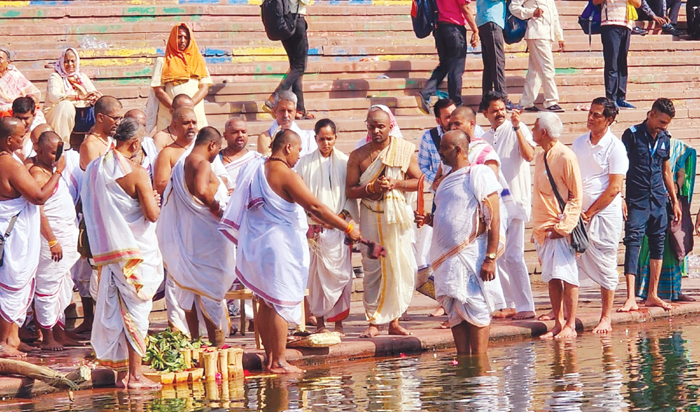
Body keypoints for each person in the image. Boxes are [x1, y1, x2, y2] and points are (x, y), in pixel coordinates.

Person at [220, 129, 361, 373]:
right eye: (297, 150)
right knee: (279, 302)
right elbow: (315, 206)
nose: (298, 156)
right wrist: (347, 227)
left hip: (257, 244)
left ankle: (270, 357)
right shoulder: (286, 174)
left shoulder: (254, 168)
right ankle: (278, 361)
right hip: (278, 246)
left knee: (265, 301)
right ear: (287, 148)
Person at [81, 118, 162, 389]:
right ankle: (135, 375)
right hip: (135, 251)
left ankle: (121, 374)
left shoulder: (94, 167)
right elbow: (151, 215)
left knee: (117, 309)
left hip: (108, 252)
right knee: (137, 310)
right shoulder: (137, 172)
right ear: (136, 143)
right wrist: (155, 201)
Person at [414, 130, 503, 355]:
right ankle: (465, 367)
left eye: (444, 148)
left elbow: (493, 217)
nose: (440, 153)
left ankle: (481, 375)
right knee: (455, 314)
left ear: (458, 150)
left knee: (477, 309)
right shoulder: (444, 183)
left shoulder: (479, 173)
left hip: (472, 256)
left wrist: (490, 258)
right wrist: (430, 220)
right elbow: (452, 217)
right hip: (448, 261)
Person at [346, 109, 421, 338]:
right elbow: (350, 190)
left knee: (397, 266)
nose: (376, 131)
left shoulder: (403, 150)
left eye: (381, 126)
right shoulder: (357, 156)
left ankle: (394, 321)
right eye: (372, 126)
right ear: (366, 127)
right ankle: (373, 322)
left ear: (390, 126)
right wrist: (372, 188)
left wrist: (396, 183)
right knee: (373, 268)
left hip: (395, 217)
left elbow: (418, 181)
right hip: (370, 215)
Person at [157, 127, 235, 347]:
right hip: (207, 237)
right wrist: (216, 207)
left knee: (192, 288)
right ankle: (217, 345)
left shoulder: (181, 162)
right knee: (211, 289)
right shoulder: (202, 163)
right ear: (212, 145)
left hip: (191, 235)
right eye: (217, 151)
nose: (215, 155)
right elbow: (201, 189)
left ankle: (195, 342)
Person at [0, 117, 65, 358]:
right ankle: (3, 343)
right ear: (9, 140)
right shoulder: (10, 164)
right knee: (13, 285)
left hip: (10, 230)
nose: (24, 137)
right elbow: (38, 197)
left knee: (14, 284)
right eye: (21, 135)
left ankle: (12, 339)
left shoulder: (12, 160)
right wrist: (58, 173)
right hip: (14, 233)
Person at [571, 97, 628, 333]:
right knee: (569, 260)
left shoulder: (616, 147)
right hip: (579, 211)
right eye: (591, 113)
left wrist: (590, 213)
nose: (591, 118)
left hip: (604, 215)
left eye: (597, 115)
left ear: (609, 120)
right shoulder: (579, 142)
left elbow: (614, 187)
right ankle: (564, 314)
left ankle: (606, 317)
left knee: (606, 262)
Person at [296, 119, 357, 334]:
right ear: (315, 139)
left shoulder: (345, 161)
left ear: (336, 138)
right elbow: (299, 195)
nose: (326, 143)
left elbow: (350, 193)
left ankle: (339, 324)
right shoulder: (304, 164)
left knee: (342, 276)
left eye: (329, 139)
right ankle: (321, 323)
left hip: (340, 227)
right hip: (315, 227)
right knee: (317, 277)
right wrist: (314, 216)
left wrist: (340, 217)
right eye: (321, 139)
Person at [619, 98, 681, 311]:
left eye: (667, 123)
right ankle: (630, 297)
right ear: (651, 114)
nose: (664, 126)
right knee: (633, 242)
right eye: (662, 121)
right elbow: (620, 168)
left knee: (658, 244)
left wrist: (674, 201)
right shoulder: (632, 135)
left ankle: (652, 294)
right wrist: (620, 197)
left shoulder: (665, 137)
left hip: (658, 199)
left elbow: (666, 170)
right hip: (637, 199)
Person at [479, 91, 536, 320]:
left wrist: (516, 127)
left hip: (516, 201)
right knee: (498, 254)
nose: (500, 113)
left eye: (502, 109)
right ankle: (510, 303)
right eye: (494, 110)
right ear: (486, 114)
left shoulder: (517, 128)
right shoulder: (483, 139)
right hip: (496, 204)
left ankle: (527, 306)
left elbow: (530, 155)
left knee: (514, 255)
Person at [531, 112, 582, 340]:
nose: (531, 131)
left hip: (560, 228)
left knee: (567, 276)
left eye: (534, 127)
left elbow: (575, 197)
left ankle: (570, 324)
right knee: (552, 276)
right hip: (543, 228)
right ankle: (558, 322)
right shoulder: (541, 156)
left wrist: (562, 228)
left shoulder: (566, 156)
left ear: (543, 132)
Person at [28, 131, 81, 350]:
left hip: (65, 239)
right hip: (51, 242)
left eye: (59, 152)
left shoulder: (49, 171)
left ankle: (60, 332)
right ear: (39, 150)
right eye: (52, 152)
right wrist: (51, 241)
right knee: (48, 287)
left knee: (63, 286)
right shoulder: (38, 174)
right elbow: (39, 210)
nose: (56, 157)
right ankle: (47, 336)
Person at [639, 137, 695, 302]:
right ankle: (649, 292)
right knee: (651, 247)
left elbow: (681, 176)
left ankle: (674, 292)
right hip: (652, 203)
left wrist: (674, 193)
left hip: (671, 206)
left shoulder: (675, 150)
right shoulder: (645, 149)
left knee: (674, 247)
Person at [417, 0, 479, 113]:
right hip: (454, 28)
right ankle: (456, 103)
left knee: (445, 65)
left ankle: (426, 91)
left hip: (440, 28)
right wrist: (475, 29)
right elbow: (465, 8)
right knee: (456, 68)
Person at [150, 23, 211, 132]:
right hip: (170, 113)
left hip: (195, 111)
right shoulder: (163, 62)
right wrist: (176, 108)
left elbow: (204, 87)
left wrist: (188, 106)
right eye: (179, 37)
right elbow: (158, 90)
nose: (183, 41)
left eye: (186, 37)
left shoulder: (198, 61)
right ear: (173, 38)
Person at [509, 0, 565, 112]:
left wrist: (560, 36)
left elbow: (554, 15)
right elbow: (513, 6)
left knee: (535, 71)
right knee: (547, 68)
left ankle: (526, 102)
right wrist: (531, 12)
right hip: (536, 33)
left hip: (547, 36)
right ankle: (551, 101)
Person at [263, 0, 314, 120]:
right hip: (296, 21)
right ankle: (274, 98)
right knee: (299, 67)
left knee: (295, 67)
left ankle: (300, 110)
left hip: (284, 23)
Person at [44, 48, 102, 142]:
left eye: (72, 61)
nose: (70, 64)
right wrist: (78, 97)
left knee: (103, 105)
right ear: (62, 62)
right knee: (66, 105)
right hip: (57, 113)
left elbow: (93, 92)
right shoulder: (55, 77)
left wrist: (95, 97)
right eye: (66, 61)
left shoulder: (81, 77)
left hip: (81, 114)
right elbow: (54, 96)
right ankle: (62, 144)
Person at [594, 0, 642, 109]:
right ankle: (611, 99)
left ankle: (621, 97)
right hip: (609, 23)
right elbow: (595, 2)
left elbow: (638, 3)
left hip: (626, 24)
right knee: (612, 62)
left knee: (622, 62)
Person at [153, 107, 198, 195]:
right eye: (186, 123)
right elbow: (160, 186)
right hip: (178, 205)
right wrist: (191, 182)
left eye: (194, 123)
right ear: (174, 125)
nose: (191, 126)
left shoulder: (203, 147)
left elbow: (222, 176)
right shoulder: (167, 154)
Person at [257, 90, 317, 157]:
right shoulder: (265, 138)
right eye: (282, 110)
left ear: (295, 112)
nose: (286, 115)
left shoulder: (308, 138)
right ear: (274, 111)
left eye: (289, 111)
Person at [477, 0, 510, 107]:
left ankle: (486, 101)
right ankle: (502, 98)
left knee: (490, 65)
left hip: (485, 19)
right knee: (497, 62)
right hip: (492, 20)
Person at [0, 48, 45, 121]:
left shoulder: (15, 76)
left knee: (37, 115)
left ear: (8, 62)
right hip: (2, 112)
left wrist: (30, 99)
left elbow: (31, 93)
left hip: (19, 109)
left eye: (0, 58)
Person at [79, 96, 123, 170]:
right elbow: (96, 178)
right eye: (115, 118)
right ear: (100, 117)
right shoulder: (90, 145)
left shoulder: (112, 139)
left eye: (120, 118)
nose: (118, 123)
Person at [219, 117, 261, 192]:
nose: (240, 135)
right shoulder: (216, 159)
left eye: (243, 132)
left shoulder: (256, 158)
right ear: (225, 136)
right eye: (235, 132)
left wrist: (238, 192)